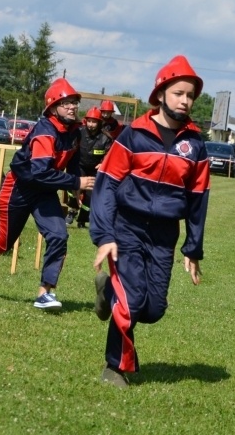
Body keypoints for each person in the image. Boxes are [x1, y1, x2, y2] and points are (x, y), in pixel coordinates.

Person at [90, 55, 210, 388]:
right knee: (129, 302)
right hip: (126, 228)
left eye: (190, 95)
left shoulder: (196, 145)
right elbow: (107, 184)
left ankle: (106, 290)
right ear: (160, 94)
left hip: (163, 235)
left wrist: (193, 247)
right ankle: (115, 367)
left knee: (152, 309)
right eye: (178, 93)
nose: (185, 100)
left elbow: (198, 198)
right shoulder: (133, 135)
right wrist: (104, 234)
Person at [0, 77, 96, 311]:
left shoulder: (75, 131)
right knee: (4, 242)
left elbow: (71, 162)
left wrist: (77, 188)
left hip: (45, 190)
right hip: (19, 188)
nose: (72, 106)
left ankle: (45, 292)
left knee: (59, 236)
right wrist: (76, 181)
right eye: (66, 103)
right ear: (53, 107)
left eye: (74, 101)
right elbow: (41, 173)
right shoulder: (45, 133)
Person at [66, 106, 113, 228]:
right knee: (73, 189)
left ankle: (82, 220)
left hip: (94, 170)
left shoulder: (106, 138)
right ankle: (72, 211)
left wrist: (104, 162)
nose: (91, 124)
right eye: (89, 121)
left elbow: (111, 154)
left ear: (99, 122)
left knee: (89, 196)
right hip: (79, 166)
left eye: (94, 121)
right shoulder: (79, 132)